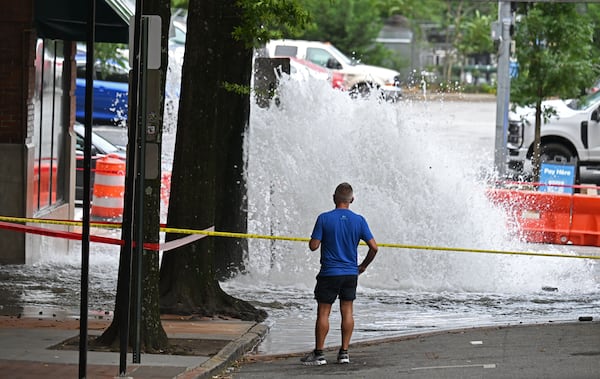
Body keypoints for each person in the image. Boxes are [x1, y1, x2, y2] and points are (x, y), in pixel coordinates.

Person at [301, 182, 378, 366]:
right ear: (352, 199)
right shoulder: (359, 220)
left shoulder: (324, 218)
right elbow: (374, 247)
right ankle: (344, 352)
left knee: (323, 312)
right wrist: (363, 266)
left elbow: (313, 246)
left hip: (329, 272)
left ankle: (319, 354)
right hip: (351, 273)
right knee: (347, 311)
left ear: (334, 198)